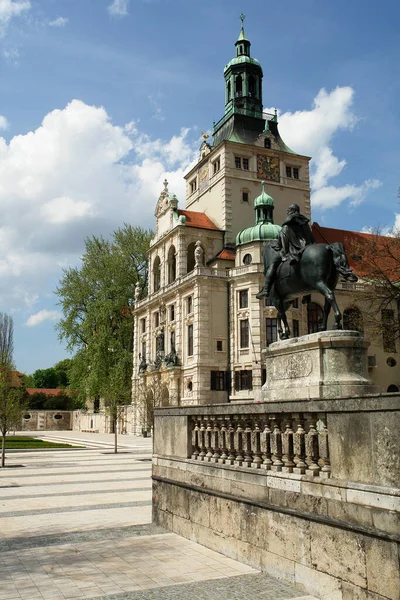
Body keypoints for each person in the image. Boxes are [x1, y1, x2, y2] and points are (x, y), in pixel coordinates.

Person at [256, 204, 315, 299]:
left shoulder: (287, 225)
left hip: (292, 251)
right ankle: (307, 296)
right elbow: (312, 239)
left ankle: (266, 289)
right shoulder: (305, 224)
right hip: (305, 249)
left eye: (288, 210)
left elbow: (283, 243)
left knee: (273, 265)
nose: (287, 213)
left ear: (292, 211)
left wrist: (280, 249)